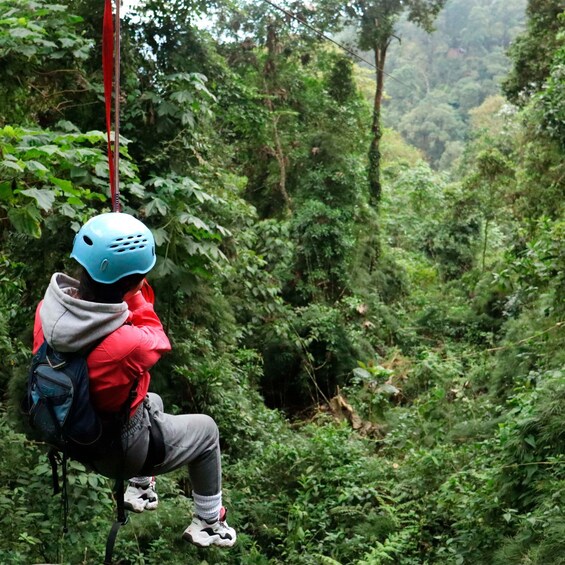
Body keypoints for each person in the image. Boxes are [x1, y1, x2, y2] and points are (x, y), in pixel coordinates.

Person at [32, 212, 236, 548]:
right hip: (117, 450)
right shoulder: (127, 345)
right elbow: (155, 336)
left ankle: (141, 489)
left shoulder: (47, 311)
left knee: (152, 400)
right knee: (206, 431)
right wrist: (136, 292)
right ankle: (209, 522)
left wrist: (123, 278)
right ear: (135, 281)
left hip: (71, 431)